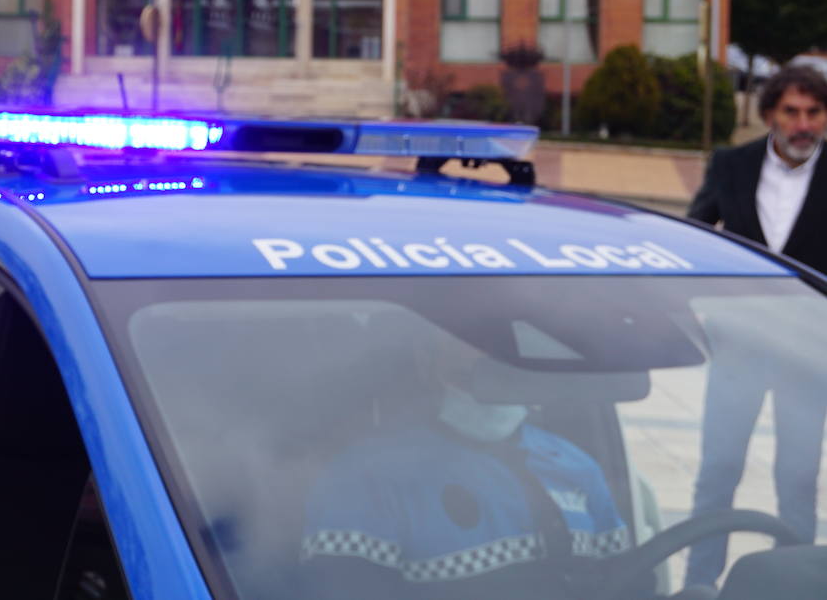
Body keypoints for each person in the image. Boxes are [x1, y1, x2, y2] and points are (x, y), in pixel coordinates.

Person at [301, 332, 631, 598]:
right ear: (426, 363)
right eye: (467, 377)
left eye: (502, 377)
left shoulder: (575, 465)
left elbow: (625, 583)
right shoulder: (366, 477)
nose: (487, 393)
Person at [684, 64, 827, 587]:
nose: (803, 124)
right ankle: (700, 582)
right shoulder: (731, 166)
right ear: (770, 115)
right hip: (739, 347)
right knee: (718, 472)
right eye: (791, 112)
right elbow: (694, 242)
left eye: (814, 112)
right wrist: (693, 318)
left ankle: (798, 586)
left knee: (798, 479)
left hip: (810, 353)